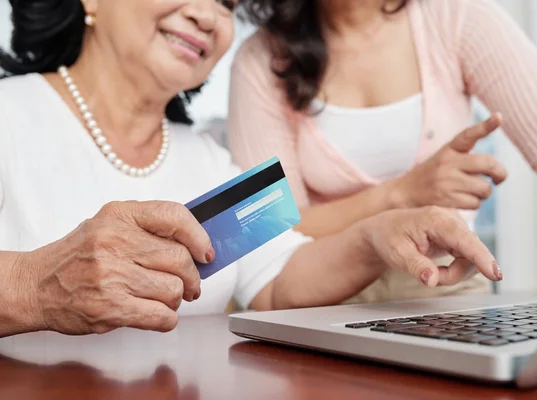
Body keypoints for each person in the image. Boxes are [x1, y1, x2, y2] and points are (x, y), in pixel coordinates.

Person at [0, 0, 500, 338]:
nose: (209, 17)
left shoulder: (215, 163)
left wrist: (376, 238)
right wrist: (34, 285)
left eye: (226, 3)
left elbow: (278, 281)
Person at [228, 0, 537, 304]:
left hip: (446, 288)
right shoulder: (260, 60)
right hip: (321, 299)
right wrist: (401, 193)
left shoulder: (455, 19)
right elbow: (268, 232)